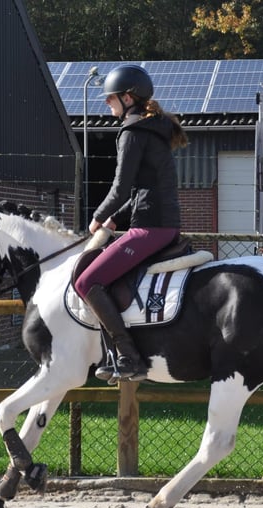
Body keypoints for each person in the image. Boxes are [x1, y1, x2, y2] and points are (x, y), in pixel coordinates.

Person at [74, 64, 188, 382]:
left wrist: (96, 217)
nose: (106, 103)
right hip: (161, 222)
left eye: (110, 98)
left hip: (149, 227)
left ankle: (128, 356)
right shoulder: (153, 130)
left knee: (86, 282)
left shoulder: (133, 133)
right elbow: (141, 190)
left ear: (127, 98)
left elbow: (121, 188)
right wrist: (114, 218)